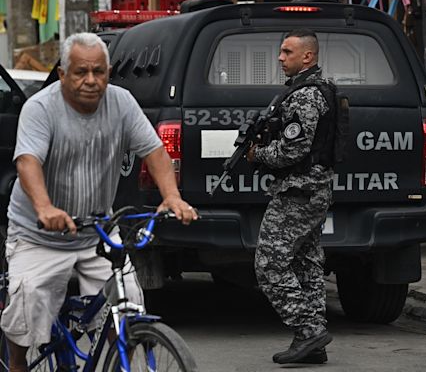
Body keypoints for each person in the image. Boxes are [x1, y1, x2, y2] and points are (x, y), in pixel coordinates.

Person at [0, 32, 198, 372]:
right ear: (63, 74)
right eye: (80, 72)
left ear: (108, 73)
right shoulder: (40, 108)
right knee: (26, 306)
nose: (90, 81)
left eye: (99, 72)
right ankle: (16, 365)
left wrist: (172, 196)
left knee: (129, 303)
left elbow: (153, 151)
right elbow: (27, 162)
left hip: (97, 232)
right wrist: (45, 207)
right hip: (38, 234)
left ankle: (121, 359)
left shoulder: (122, 103)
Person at [247, 29, 335, 364]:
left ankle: (308, 330)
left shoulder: (305, 96)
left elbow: (292, 149)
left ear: (307, 57)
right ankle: (313, 343)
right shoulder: (313, 90)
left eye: (287, 52)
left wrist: (260, 155)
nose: (280, 58)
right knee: (307, 265)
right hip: (314, 189)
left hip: (298, 191)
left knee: (268, 265)